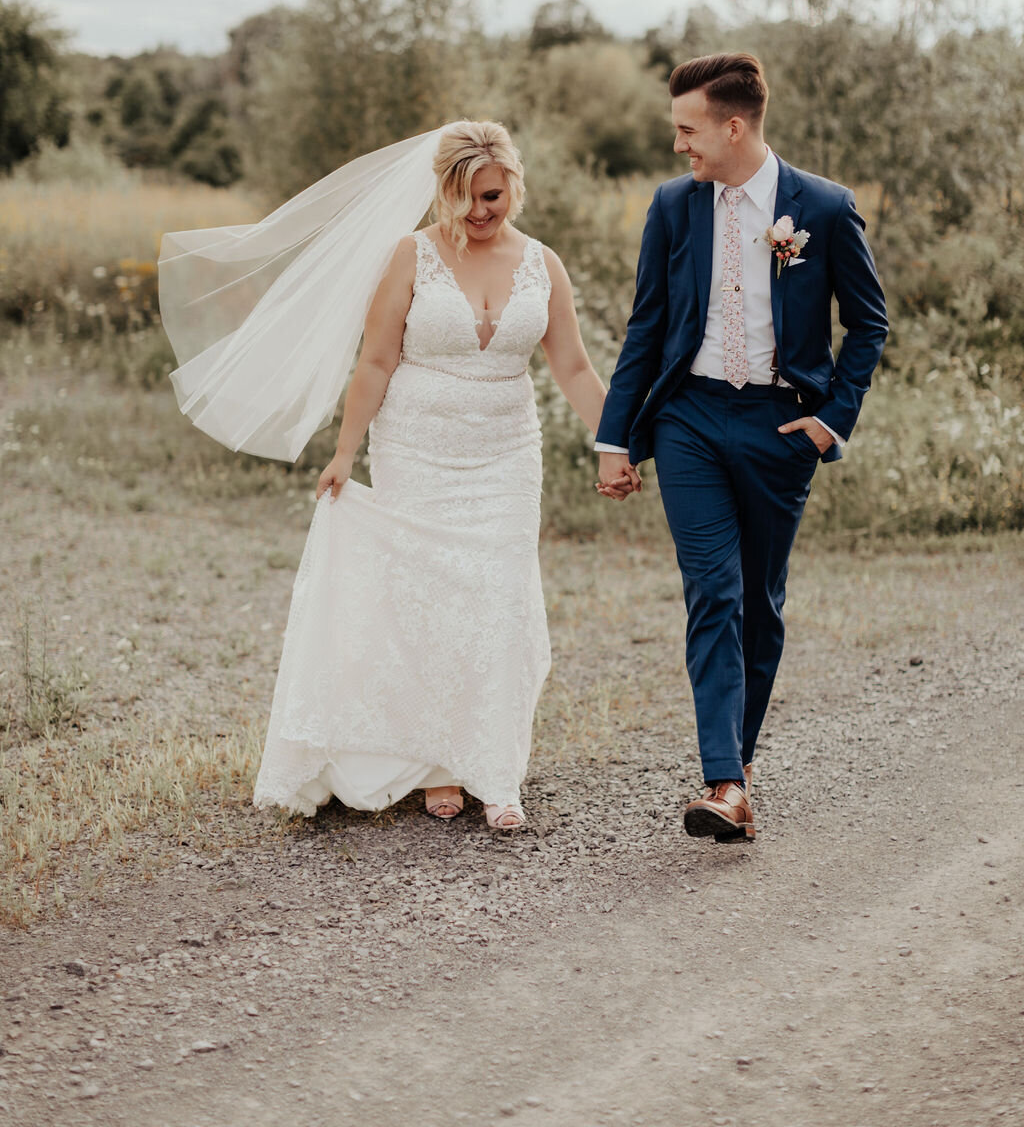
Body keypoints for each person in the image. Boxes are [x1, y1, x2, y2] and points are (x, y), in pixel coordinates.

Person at [249, 121, 616, 831]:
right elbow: (377, 361)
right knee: (426, 595)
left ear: (513, 183)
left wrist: (616, 442)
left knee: (499, 597)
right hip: (415, 446)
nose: (482, 211)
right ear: (444, 193)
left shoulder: (544, 263)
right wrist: (345, 451)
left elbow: (571, 366)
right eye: (467, 198)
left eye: (493, 195)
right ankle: (441, 767)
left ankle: (496, 770)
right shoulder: (411, 255)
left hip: (507, 451)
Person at [595, 54, 888, 842]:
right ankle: (723, 781)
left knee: (759, 601)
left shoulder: (822, 208)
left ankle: (740, 764)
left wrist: (832, 419)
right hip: (688, 419)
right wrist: (614, 438)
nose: (680, 146)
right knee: (712, 592)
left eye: (689, 130)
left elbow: (869, 325)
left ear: (734, 125)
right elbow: (647, 326)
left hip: (778, 426)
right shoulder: (672, 205)